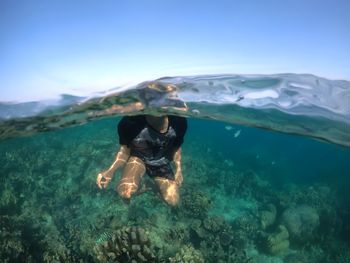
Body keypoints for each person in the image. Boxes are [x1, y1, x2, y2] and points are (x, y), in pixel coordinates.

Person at [96, 114, 187, 206]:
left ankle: (149, 186)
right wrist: (110, 171)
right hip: (138, 158)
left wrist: (178, 170)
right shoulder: (129, 123)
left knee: (173, 201)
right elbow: (124, 152)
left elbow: (176, 147)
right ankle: (141, 185)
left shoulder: (178, 121)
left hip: (161, 162)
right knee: (125, 192)